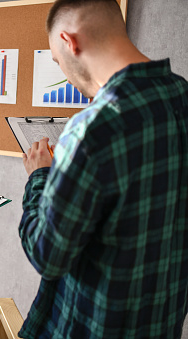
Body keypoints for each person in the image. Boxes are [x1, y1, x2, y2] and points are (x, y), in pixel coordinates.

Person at [19, 0, 188, 338]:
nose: (64, 72)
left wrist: (40, 176)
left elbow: (47, 255)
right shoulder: (181, 93)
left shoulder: (91, 128)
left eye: (57, 60)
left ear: (70, 42)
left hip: (92, 326)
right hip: (162, 323)